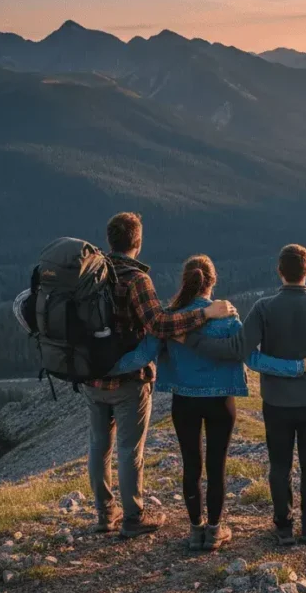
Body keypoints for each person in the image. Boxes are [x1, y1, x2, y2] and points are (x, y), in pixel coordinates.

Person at [113, 255, 306, 551]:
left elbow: (140, 357)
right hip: (220, 402)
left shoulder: (170, 319)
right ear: (213, 282)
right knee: (216, 467)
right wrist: (298, 368)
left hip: (183, 401)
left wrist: (100, 369)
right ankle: (214, 531)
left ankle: (195, 530)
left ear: (185, 282)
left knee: (191, 466)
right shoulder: (227, 317)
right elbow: (253, 358)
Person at [82, 212, 235, 539]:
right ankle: (133, 518)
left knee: (98, 446)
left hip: (92, 378)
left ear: (111, 240)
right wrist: (205, 314)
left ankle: (103, 514)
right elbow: (159, 326)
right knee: (128, 451)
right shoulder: (136, 280)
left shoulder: (91, 275)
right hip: (127, 381)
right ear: (137, 242)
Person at [188, 244, 306, 545]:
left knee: (280, 464)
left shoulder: (263, 308)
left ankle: (283, 526)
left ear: (279, 272)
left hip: (276, 402)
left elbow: (238, 348)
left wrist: (195, 343)